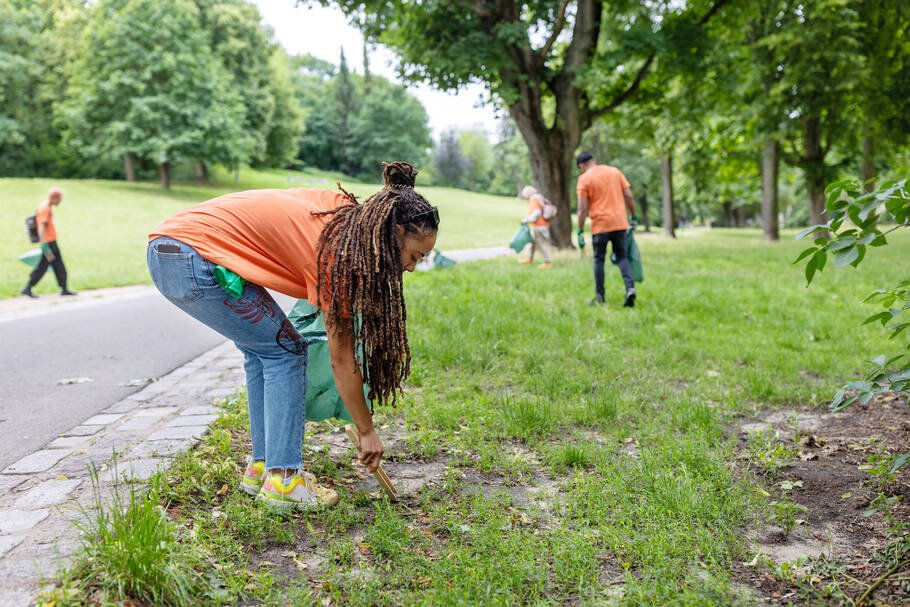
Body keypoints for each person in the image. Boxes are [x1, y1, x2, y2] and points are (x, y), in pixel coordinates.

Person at [147, 161, 438, 510]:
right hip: (192, 257)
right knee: (286, 352)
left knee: (263, 350)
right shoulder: (340, 256)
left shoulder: (344, 216)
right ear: (396, 231)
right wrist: (366, 431)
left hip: (174, 249)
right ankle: (285, 480)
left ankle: (262, 468)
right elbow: (341, 359)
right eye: (414, 255)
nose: (410, 267)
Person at [575, 151, 637, 307]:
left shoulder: (584, 179)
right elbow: (629, 195)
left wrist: (580, 230)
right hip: (620, 222)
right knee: (622, 256)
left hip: (600, 225)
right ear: (594, 160)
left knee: (599, 260)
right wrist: (633, 215)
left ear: (581, 166)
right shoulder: (615, 172)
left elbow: (582, 209)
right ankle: (630, 288)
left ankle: (600, 297)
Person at [21, 188, 77, 298]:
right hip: (48, 244)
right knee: (43, 266)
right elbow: (41, 228)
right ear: (55, 198)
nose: (60, 201)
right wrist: (44, 244)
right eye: (60, 199)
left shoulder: (46, 206)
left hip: (52, 242)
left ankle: (64, 288)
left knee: (58, 265)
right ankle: (27, 287)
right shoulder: (45, 209)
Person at [517, 186, 553, 269]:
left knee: (542, 244)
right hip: (542, 225)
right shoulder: (539, 197)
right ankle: (529, 258)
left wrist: (525, 220)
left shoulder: (533, 199)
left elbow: (536, 214)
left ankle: (548, 262)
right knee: (532, 243)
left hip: (539, 226)